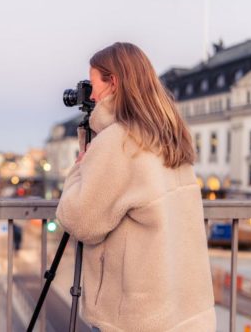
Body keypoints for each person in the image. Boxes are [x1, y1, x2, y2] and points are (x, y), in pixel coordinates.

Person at [55, 42, 215, 332]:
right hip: (181, 309)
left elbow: (80, 221)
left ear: (113, 82)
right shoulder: (171, 135)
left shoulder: (119, 141)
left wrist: (79, 168)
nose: (91, 95)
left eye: (93, 85)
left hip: (132, 317)